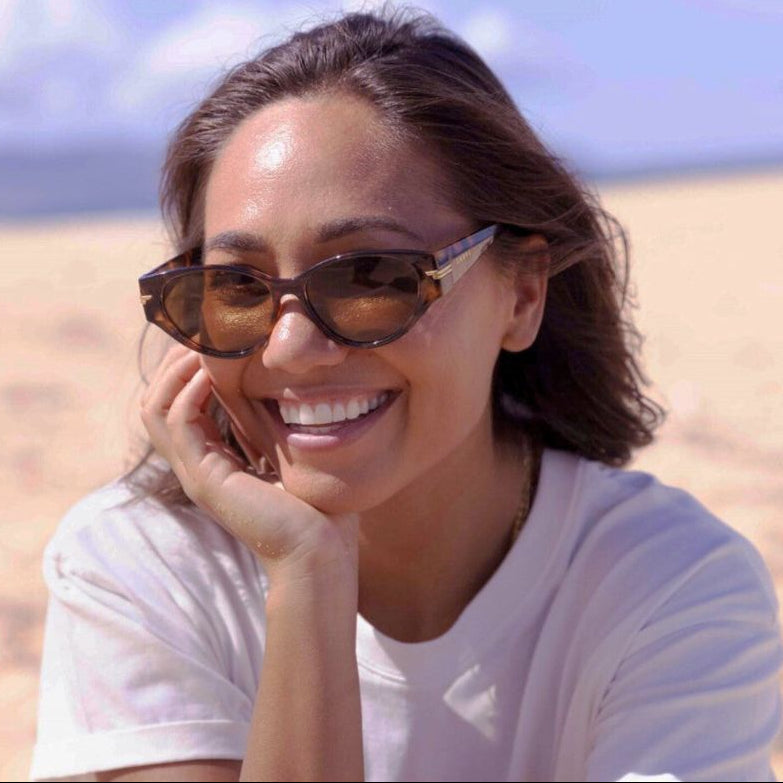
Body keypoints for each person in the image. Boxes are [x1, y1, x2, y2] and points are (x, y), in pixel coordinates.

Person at [31, 9, 782, 782]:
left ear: (522, 293)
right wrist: (310, 571)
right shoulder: (143, 566)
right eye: (237, 286)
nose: (289, 346)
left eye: (368, 278)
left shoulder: (662, 586)